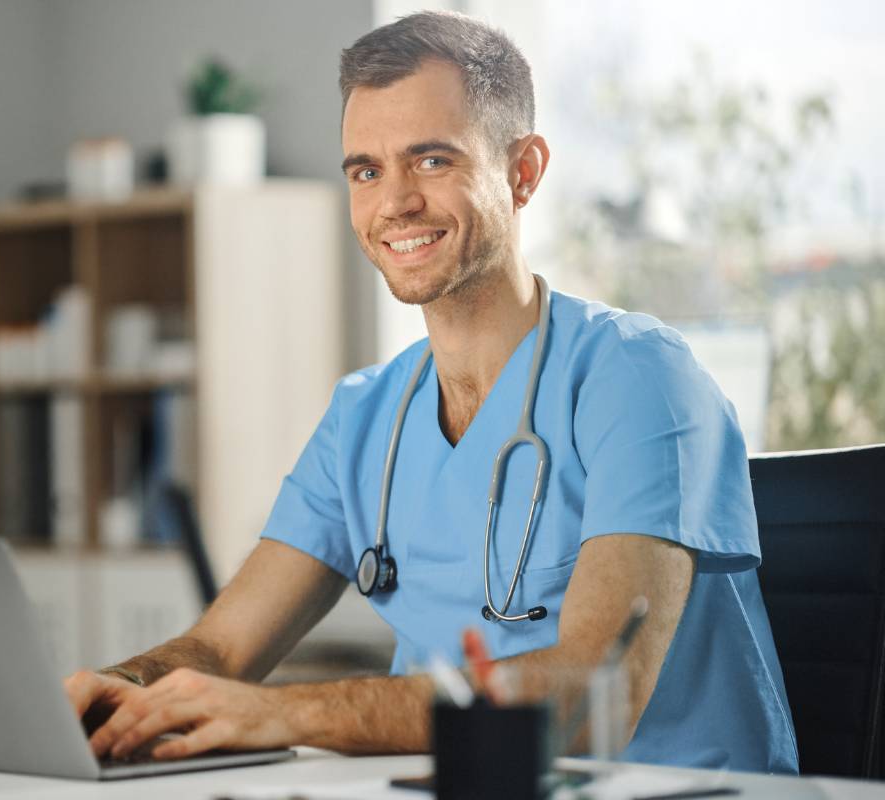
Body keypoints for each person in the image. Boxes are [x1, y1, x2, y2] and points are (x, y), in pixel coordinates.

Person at [64, 11, 798, 774]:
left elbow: (591, 700)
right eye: (366, 171)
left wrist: (285, 711)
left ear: (523, 172)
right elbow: (219, 647)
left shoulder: (640, 378)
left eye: (433, 161)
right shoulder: (365, 416)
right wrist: (115, 691)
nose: (395, 202)